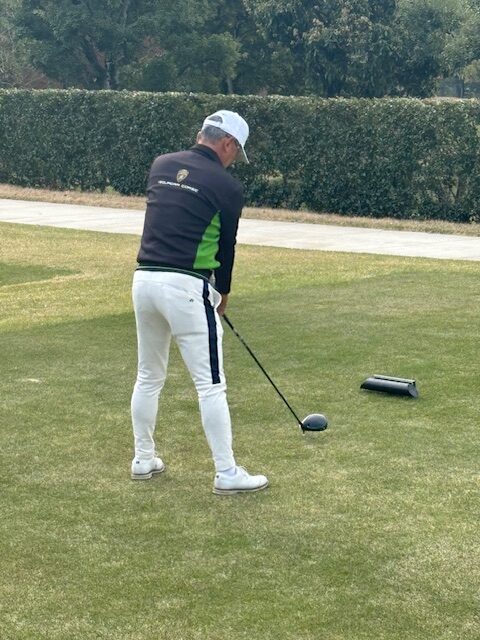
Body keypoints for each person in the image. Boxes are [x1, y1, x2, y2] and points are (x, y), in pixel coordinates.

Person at [130, 109, 268, 495]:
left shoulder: (161, 165)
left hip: (144, 280)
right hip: (186, 286)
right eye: (235, 152)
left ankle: (143, 459)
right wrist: (224, 292)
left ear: (200, 134)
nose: (233, 160)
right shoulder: (227, 186)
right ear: (228, 143)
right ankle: (227, 473)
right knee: (210, 385)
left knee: (148, 376)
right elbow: (226, 246)